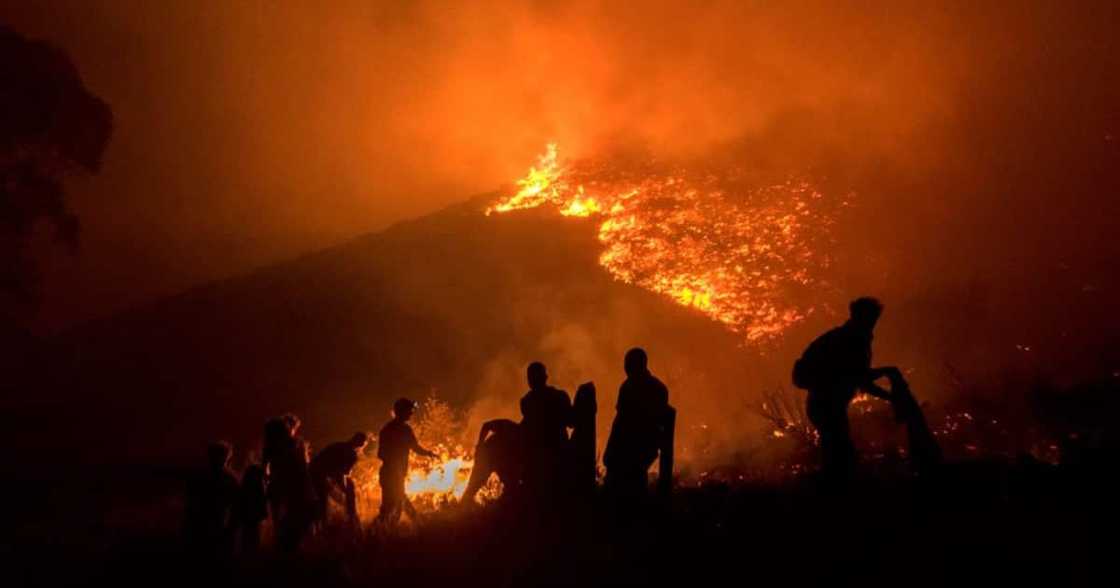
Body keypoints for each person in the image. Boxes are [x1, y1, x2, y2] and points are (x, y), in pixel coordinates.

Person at [793, 296, 894, 488]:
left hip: (822, 405)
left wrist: (887, 379)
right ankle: (834, 496)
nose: (873, 324)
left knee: (836, 450)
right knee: (840, 453)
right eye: (872, 318)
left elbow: (858, 376)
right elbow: (860, 379)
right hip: (826, 405)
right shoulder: (852, 340)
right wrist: (890, 393)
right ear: (862, 317)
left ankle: (832, 491)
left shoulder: (841, 337)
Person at [604, 348, 671, 501]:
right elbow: (620, 420)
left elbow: (624, 422)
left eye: (629, 365)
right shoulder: (631, 386)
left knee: (630, 488)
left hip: (638, 448)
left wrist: (612, 451)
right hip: (633, 449)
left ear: (639, 365)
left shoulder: (651, 389)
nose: (626, 368)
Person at [518, 362, 574, 504]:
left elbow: (526, 430)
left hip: (537, 464)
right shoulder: (560, 397)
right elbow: (572, 422)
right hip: (558, 459)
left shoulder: (526, 402)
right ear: (546, 377)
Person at [377, 398, 437, 526]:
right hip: (390, 474)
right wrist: (395, 466)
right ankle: (418, 524)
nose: (411, 413)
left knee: (396, 504)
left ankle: (380, 532)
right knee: (394, 505)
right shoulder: (390, 430)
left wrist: (428, 453)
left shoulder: (404, 429)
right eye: (409, 411)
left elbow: (415, 447)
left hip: (395, 474)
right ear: (401, 411)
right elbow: (381, 454)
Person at [262, 414, 315, 551]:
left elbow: (264, 466)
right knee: (294, 514)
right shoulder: (295, 443)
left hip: (280, 482)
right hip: (294, 484)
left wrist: (267, 479)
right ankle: (292, 545)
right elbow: (303, 466)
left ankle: (280, 542)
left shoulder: (270, 445)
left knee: (278, 515)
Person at [184, 441, 240, 558]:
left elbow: (236, 503)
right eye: (220, 455)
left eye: (223, 455)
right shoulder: (227, 478)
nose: (222, 459)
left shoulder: (227, 478)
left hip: (216, 521)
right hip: (209, 522)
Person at [309, 432, 370, 528]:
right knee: (322, 504)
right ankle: (351, 518)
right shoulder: (351, 455)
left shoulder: (337, 445)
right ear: (362, 444)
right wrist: (345, 490)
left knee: (318, 504)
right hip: (319, 475)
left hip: (312, 473)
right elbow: (341, 474)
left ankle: (318, 526)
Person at [462, 418, 523, 505]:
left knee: (512, 488)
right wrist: (480, 446)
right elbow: (486, 425)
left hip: (503, 462)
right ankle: (461, 508)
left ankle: (499, 510)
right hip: (488, 457)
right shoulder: (509, 427)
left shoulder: (524, 441)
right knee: (475, 484)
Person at [236, 463, 268, 555]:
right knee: (251, 535)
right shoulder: (257, 489)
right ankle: (250, 553)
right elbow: (261, 503)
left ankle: (248, 553)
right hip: (252, 517)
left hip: (249, 517)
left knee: (249, 535)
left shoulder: (247, 488)